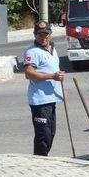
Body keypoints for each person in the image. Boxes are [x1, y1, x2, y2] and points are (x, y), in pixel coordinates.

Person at [23, 21, 64, 156]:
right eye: (40, 34)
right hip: (40, 101)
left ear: (50, 34)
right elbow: (29, 73)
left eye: (46, 34)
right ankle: (39, 163)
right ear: (35, 35)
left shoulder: (53, 49)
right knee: (43, 135)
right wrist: (52, 76)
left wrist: (58, 77)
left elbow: (53, 69)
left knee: (51, 133)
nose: (43, 37)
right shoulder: (32, 52)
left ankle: (43, 160)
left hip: (51, 99)